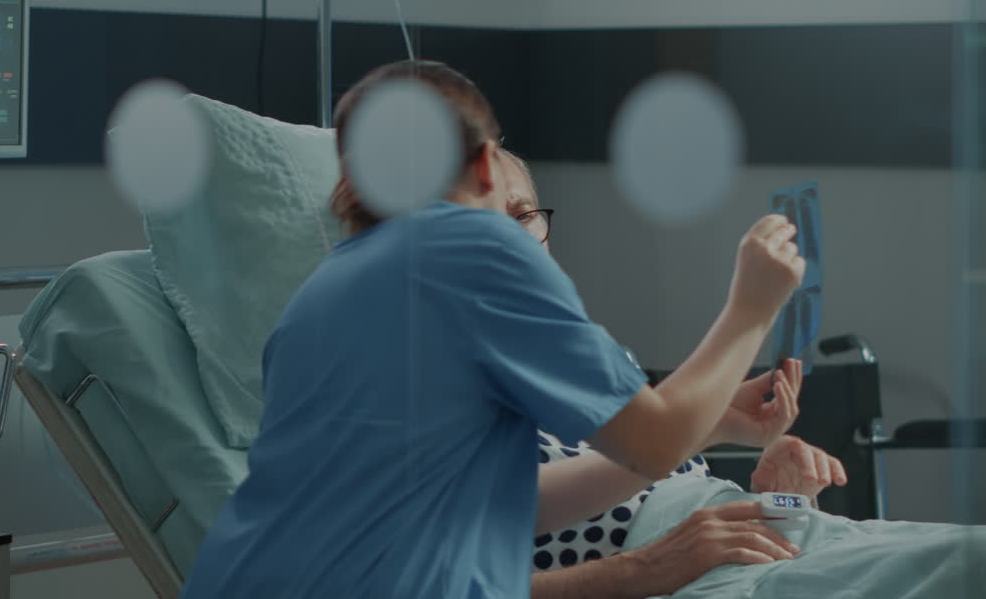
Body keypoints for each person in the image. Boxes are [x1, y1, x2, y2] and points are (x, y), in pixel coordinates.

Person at [180, 60, 804, 598]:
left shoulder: (316, 301)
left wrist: (710, 420)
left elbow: (493, 504)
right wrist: (752, 308)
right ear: (484, 165)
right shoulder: (473, 250)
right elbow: (656, 443)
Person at [497, 152, 850, 598]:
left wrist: (787, 504)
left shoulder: (594, 357)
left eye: (523, 216)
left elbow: (667, 479)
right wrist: (643, 568)